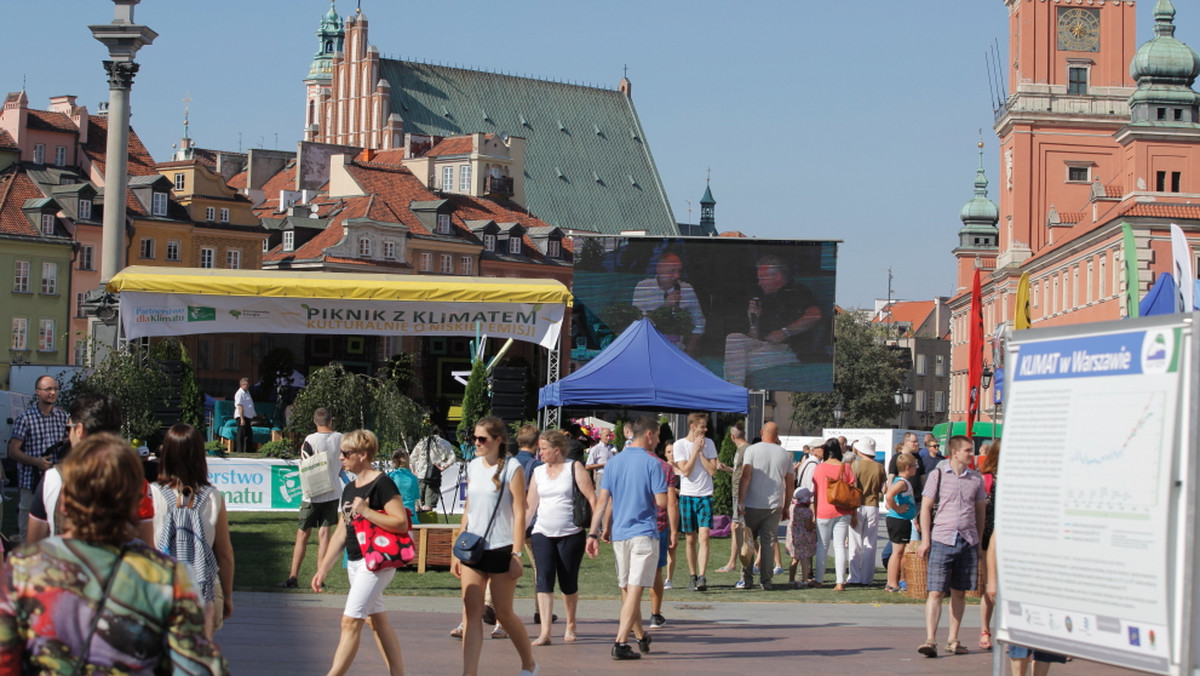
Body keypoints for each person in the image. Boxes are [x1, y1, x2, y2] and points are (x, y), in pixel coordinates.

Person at [0, 433, 228, 673]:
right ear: (134, 502)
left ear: (65, 500)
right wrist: (200, 640)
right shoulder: (167, 578)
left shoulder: (22, 570)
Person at [311, 430, 408, 676]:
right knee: (376, 621)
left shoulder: (383, 483)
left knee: (349, 621)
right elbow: (342, 530)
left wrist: (366, 511)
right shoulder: (350, 488)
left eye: (345, 453)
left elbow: (400, 522)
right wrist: (323, 567)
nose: (341, 458)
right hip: (355, 561)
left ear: (363, 455)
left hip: (375, 563)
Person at [452, 417, 537, 676]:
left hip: (501, 547)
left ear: (498, 440)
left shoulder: (513, 468)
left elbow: (519, 512)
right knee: (471, 611)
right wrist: (458, 543)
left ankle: (529, 664)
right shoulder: (473, 466)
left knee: (504, 612)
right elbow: (469, 507)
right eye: (474, 438)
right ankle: (469, 672)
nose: (476, 443)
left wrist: (517, 553)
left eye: (482, 439)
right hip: (472, 547)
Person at [586, 416, 667, 661]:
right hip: (643, 532)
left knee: (627, 587)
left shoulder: (613, 462)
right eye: (658, 435)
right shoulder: (654, 464)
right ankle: (620, 642)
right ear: (650, 434)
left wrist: (593, 532)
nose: (660, 440)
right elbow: (662, 502)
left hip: (620, 533)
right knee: (635, 588)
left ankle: (640, 635)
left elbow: (602, 501)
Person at [27, 393, 156, 545]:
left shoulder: (53, 478)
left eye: (69, 428)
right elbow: (147, 545)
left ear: (79, 430)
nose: (68, 435)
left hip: (65, 565)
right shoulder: (136, 482)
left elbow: (34, 546)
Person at [151, 423, 235, 639]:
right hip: (204, 591)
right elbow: (224, 554)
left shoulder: (151, 495)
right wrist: (226, 595)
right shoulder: (213, 497)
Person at [917, 435, 987, 658]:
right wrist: (925, 539)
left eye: (972, 450)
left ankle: (953, 639)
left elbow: (980, 513)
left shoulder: (976, 479)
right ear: (954, 452)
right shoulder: (937, 475)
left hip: (967, 540)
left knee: (960, 592)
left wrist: (979, 540)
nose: (971, 454)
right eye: (967, 450)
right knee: (936, 591)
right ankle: (930, 640)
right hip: (942, 538)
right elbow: (926, 508)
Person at [526, 429, 595, 646]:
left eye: (544, 449)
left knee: (568, 581)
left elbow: (592, 498)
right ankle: (545, 631)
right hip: (542, 532)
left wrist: (595, 531)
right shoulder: (538, 472)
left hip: (570, 533)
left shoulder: (573, 467)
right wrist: (518, 531)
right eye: (539, 449)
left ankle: (571, 624)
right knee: (544, 579)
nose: (540, 453)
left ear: (557, 450)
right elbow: (530, 506)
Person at [723, 255, 824, 386]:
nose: (759, 283)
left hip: (788, 350)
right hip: (765, 346)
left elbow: (815, 315)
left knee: (737, 363)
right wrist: (754, 320)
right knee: (733, 338)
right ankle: (734, 392)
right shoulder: (764, 298)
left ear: (777, 276)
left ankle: (732, 395)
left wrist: (785, 332)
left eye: (762, 278)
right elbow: (754, 337)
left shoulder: (797, 291)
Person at [279, 407, 344, 589]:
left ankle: (293, 576)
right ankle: (319, 578)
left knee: (302, 534)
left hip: (313, 492)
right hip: (333, 491)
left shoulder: (310, 440)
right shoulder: (340, 438)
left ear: (315, 423)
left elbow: (304, 462)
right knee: (324, 534)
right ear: (331, 421)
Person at [8, 375, 69, 541]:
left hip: (56, 482)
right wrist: (36, 461)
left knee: (55, 526)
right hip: (30, 481)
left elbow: (70, 446)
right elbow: (13, 451)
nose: (53, 393)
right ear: (38, 392)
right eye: (48, 389)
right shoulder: (25, 418)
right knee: (28, 531)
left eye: (55, 389)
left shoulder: (63, 417)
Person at [673, 412, 728, 592]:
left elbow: (712, 471)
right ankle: (692, 574)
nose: (705, 430)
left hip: (705, 495)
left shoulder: (709, 444)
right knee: (690, 538)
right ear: (692, 427)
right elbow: (685, 471)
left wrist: (702, 452)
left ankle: (702, 576)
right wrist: (694, 451)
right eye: (702, 426)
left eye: (706, 426)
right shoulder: (679, 445)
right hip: (687, 495)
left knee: (704, 537)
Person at [735, 422, 794, 590]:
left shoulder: (752, 450)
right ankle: (766, 580)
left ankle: (746, 578)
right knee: (768, 543)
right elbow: (789, 484)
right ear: (777, 435)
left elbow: (745, 477)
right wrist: (786, 506)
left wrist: (740, 500)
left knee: (748, 541)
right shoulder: (785, 454)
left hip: (752, 503)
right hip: (774, 505)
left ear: (762, 432)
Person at [631, 250, 706, 355]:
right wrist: (665, 307)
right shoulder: (644, 287)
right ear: (659, 269)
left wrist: (689, 352)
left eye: (679, 271)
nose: (676, 276)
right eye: (672, 271)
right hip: (647, 349)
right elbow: (639, 323)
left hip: (677, 350)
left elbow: (699, 322)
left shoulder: (686, 289)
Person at [812, 438, 855, 591]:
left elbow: (815, 492)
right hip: (843, 511)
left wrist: (814, 512)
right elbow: (852, 490)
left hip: (823, 510)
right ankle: (840, 582)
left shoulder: (820, 468)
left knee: (822, 547)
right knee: (839, 546)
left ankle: (819, 580)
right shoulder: (846, 467)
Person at [648, 424, 679, 628]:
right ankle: (655, 613)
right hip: (657, 525)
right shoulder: (663, 467)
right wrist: (673, 530)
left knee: (631, 576)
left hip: (630, 525)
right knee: (656, 571)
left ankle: (630, 614)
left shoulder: (621, 463)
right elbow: (671, 501)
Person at [847, 438, 886, 586]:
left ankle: (854, 576)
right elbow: (884, 489)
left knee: (855, 542)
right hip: (873, 505)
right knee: (870, 542)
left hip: (857, 505)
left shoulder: (854, 465)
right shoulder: (879, 467)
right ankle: (867, 578)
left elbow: (849, 487)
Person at [717, 421, 750, 574]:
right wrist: (727, 469)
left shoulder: (746, 450)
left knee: (740, 527)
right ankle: (737, 562)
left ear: (732, 437)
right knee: (739, 527)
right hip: (738, 493)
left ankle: (736, 563)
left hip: (741, 494)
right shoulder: (742, 450)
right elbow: (739, 471)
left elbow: (746, 474)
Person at [884, 453, 919, 593]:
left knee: (898, 552)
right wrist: (897, 508)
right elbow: (889, 495)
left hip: (900, 519)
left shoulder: (901, 481)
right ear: (907, 468)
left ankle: (891, 583)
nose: (916, 469)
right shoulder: (901, 482)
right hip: (899, 519)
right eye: (914, 466)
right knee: (898, 552)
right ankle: (892, 583)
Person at [979, 438, 1000, 651]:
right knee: (990, 584)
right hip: (988, 534)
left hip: (1010, 535)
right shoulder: (987, 479)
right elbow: (982, 510)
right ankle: (985, 629)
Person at [412, 428, 456, 512]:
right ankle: (428, 523)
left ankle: (417, 522)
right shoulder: (442, 442)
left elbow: (412, 458)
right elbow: (452, 457)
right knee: (429, 503)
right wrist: (443, 467)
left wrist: (414, 470)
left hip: (421, 474)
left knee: (417, 503)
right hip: (433, 475)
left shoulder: (422, 441)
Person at [786, 487, 817, 587]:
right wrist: (814, 526)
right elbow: (808, 526)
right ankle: (804, 580)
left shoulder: (792, 508)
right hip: (803, 538)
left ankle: (791, 580)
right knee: (804, 559)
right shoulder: (807, 511)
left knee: (795, 558)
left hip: (793, 537)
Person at [387, 449, 421, 523]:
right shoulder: (413, 478)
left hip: (393, 517)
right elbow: (416, 497)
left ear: (393, 462)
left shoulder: (389, 477)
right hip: (411, 518)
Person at [233, 377, 257, 454]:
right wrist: (242, 419)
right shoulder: (239, 393)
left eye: (248, 384)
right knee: (241, 433)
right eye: (246, 384)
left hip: (247, 416)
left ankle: (248, 449)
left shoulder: (247, 392)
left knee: (248, 433)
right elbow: (240, 406)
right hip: (242, 416)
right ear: (241, 385)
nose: (248, 386)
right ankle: (239, 450)